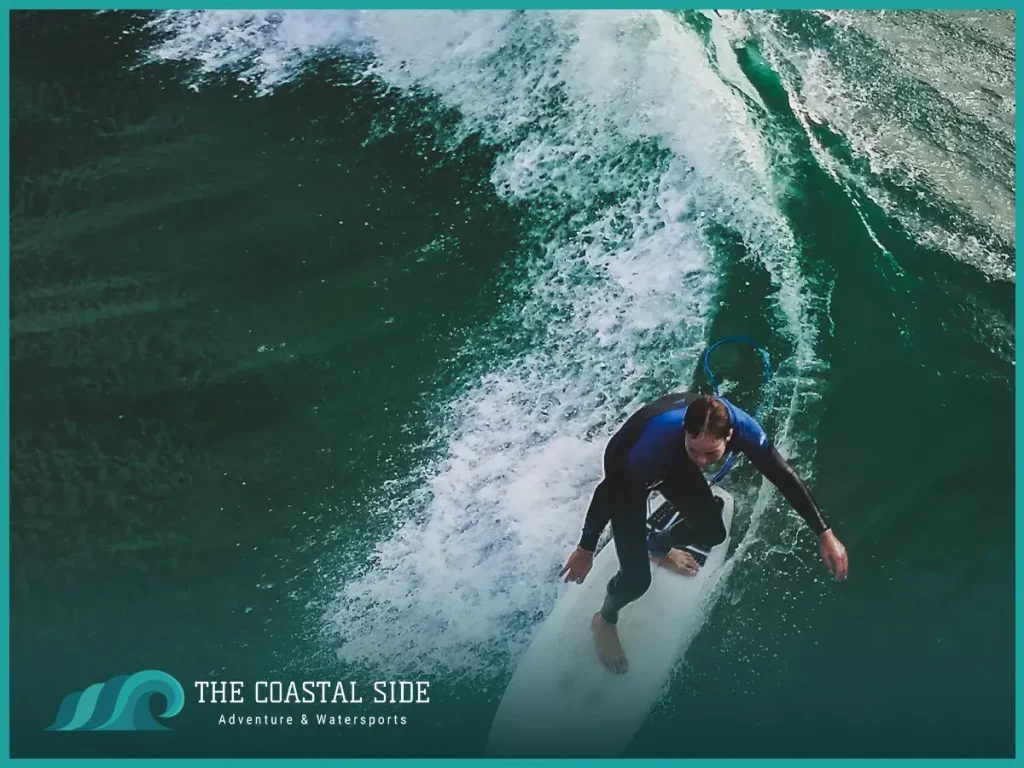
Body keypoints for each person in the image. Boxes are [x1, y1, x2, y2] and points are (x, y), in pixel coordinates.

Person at [558, 392, 848, 674]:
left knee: (712, 531)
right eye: (695, 450)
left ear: (729, 436)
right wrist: (586, 548)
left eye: (712, 453)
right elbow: (608, 492)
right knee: (636, 581)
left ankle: (657, 544)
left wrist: (824, 532)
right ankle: (604, 621)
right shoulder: (655, 447)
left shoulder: (742, 429)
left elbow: (782, 474)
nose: (703, 461)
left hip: (672, 460)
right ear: (685, 432)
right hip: (628, 474)